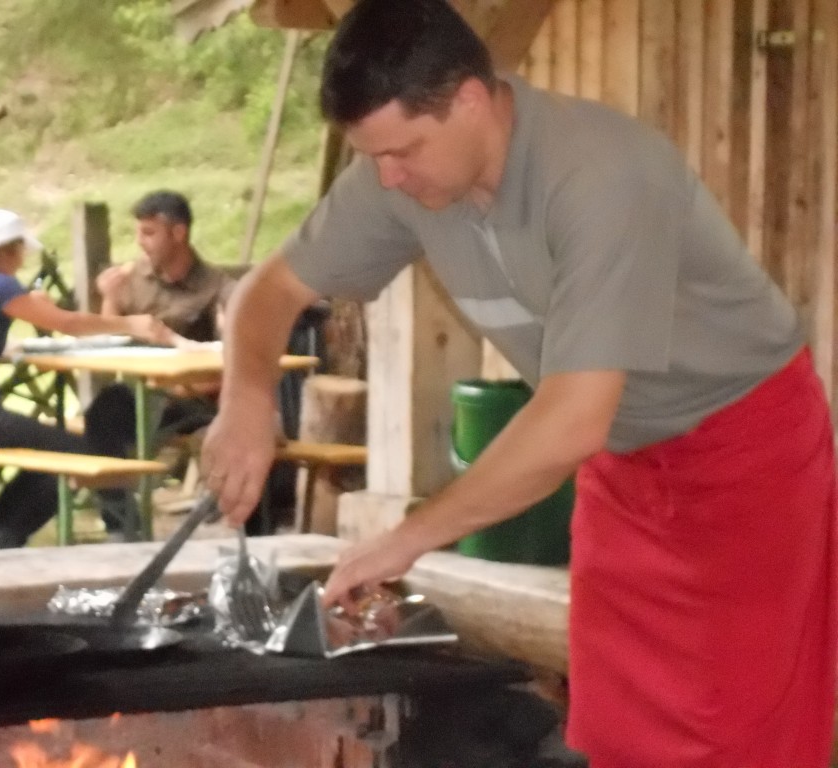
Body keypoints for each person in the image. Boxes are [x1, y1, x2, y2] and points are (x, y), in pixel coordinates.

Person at [198, 2, 838, 767]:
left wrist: (408, 538)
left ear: (471, 98)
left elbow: (569, 421)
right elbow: (266, 293)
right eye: (373, 158)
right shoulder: (398, 177)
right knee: (611, 723)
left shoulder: (601, 175)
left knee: (735, 733)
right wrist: (247, 397)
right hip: (624, 464)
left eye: (403, 151)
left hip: (745, 453)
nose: (388, 177)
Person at [0, 208, 164, 550]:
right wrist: (130, 324)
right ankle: (3, 540)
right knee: (74, 453)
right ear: (7, 251)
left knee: (49, 447)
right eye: (20, 253)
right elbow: (68, 324)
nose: (22, 262)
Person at [96, 190, 236, 442]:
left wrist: (177, 387)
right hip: (139, 394)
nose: (139, 242)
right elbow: (110, 340)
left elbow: (232, 365)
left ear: (179, 233)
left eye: (149, 233)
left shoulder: (216, 288)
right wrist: (110, 298)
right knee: (105, 408)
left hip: (190, 402)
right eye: (138, 232)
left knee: (117, 417)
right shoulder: (135, 278)